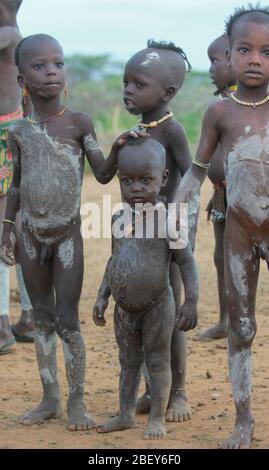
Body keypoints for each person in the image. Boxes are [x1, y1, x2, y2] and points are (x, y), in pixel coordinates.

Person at [0, 33, 135, 430]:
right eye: (40, 67)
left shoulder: (79, 123)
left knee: (67, 320)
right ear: (22, 79)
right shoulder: (19, 132)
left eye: (57, 64)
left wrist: (120, 145)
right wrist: (7, 229)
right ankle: (49, 398)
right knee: (41, 318)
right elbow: (17, 186)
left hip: (66, 239)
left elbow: (105, 173)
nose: (51, 72)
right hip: (29, 236)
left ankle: (77, 402)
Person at [169, 5, 269, 448]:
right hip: (240, 234)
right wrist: (175, 208)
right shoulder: (220, 112)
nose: (254, 59)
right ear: (227, 54)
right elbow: (195, 169)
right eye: (244, 49)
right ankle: (243, 420)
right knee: (242, 326)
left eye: (267, 52)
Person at [93, 137, 199, 439]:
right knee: (127, 363)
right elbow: (114, 260)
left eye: (145, 180)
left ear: (163, 179)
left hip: (158, 305)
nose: (136, 188)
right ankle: (125, 414)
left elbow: (187, 263)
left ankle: (156, 418)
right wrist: (103, 295)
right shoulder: (118, 218)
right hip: (124, 310)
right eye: (127, 181)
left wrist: (190, 301)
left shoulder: (169, 220)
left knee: (157, 361)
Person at [122, 39, 197, 423]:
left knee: (170, 311)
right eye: (126, 83)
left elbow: (188, 176)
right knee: (149, 309)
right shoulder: (140, 128)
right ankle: (155, 390)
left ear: (166, 93)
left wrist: (178, 221)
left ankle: (179, 392)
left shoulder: (172, 131)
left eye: (138, 84)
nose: (128, 90)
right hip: (144, 232)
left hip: (171, 231)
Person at [0, 0, 34, 356]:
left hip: (5, 132)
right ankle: (28, 316)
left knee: (7, 228)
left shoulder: (8, 33)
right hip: (11, 128)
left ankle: (3, 326)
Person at [197, 34, 236, 341]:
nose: (210, 68)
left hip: (252, 197)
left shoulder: (255, 104)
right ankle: (226, 320)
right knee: (221, 257)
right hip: (221, 194)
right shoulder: (221, 105)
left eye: (214, 61)